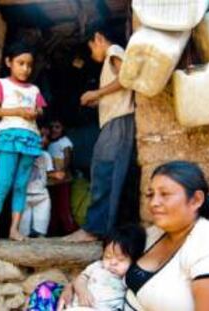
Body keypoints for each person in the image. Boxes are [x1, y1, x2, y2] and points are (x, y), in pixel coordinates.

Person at [124, 161, 209, 311]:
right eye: (150, 195)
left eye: (164, 194)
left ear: (196, 200)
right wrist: (87, 280)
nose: (153, 203)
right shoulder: (155, 233)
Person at [64, 28, 135, 242]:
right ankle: (102, 229)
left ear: (98, 38)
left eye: (91, 48)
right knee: (106, 171)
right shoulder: (110, 59)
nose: (92, 54)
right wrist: (98, 102)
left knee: (105, 171)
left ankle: (93, 230)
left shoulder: (114, 50)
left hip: (120, 121)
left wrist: (97, 92)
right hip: (115, 122)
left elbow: (126, 79)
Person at [0, 41, 47, 249]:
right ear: (8, 62)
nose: (25, 69)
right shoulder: (1, 84)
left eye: (29, 65)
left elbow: (41, 112)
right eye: (20, 63)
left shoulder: (35, 89)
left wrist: (34, 113)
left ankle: (14, 229)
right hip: (8, 138)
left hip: (30, 139)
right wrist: (18, 111)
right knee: (4, 182)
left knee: (21, 185)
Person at [26, 224, 146, 311]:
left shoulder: (129, 279)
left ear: (135, 260)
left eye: (120, 259)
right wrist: (82, 291)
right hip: (73, 305)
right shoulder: (98, 266)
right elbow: (81, 278)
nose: (112, 263)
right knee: (46, 288)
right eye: (108, 256)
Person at [19, 128, 65, 238]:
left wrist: (56, 174)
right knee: (23, 231)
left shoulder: (45, 155)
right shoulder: (22, 154)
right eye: (41, 135)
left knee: (41, 228)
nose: (44, 139)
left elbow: (47, 172)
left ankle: (40, 241)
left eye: (47, 137)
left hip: (42, 196)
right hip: (24, 195)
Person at [47, 119, 78, 235]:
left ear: (63, 129)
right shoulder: (49, 142)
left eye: (57, 127)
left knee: (63, 206)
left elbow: (67, 156)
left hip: (62, 179)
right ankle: (52, 231)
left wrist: (63, 171)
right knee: (52, 207)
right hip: (51, 180)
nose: (54, 130)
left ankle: (70, 230)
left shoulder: (65, 141)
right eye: (52, 127)